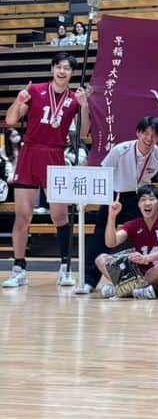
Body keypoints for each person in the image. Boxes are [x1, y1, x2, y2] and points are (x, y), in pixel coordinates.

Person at [3, 53, 90, 289]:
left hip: (55, 155)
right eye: (58, 67)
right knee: (22, 215)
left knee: (59, 215)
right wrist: (19, 100)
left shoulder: (74, 98)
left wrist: (85, 107)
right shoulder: (35, 90)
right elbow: (11, 120)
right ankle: (19, 268)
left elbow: (82, 134)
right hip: (30, 154)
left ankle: (65, 268)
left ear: (72, 73)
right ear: (52, 69)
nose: (62, 72)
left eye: (67, 68)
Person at [80, 116, 158, 295]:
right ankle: (89, 281)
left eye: (154, 135)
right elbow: (104, 172)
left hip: (140, 198)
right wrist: (103, 198)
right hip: (116, 195)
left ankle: (141, 281)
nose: (149, 139)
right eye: (145, 133)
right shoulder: (120, 150)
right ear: (138, 133)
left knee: (143, 237)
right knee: (100, 238)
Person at [91, 185, 158, 300]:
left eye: (152, 199)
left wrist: (148, 258)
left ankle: (124, 289)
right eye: (143, 199)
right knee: (101, 259)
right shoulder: (133, 224)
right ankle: (133, 290)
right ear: (138, 204)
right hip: (136, 275)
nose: (147, 203)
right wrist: (112, 216)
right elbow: (110, 243)